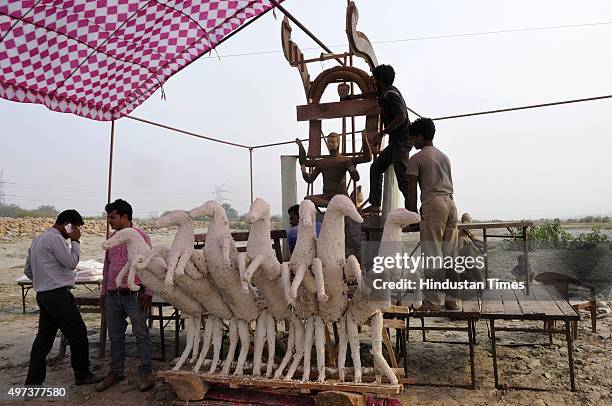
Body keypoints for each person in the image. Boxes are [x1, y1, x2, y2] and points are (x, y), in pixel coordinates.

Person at [24, 210, 103, 386]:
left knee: (43, 340)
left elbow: (28, 271)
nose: (76, 231)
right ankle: (82, 374)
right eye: (75, 227)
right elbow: (71, 263)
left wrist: (44, 279)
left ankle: (33, 382)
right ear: (68, 225)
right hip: (57, 295)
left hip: (44, 294)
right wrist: (75, 241)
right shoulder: (55, 239)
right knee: (78, 333)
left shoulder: (38, 240)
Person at [96, 199, 155, 392]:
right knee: (115, 336)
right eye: (108, 217)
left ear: (125, 217)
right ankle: (115, 372)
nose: (109, 221)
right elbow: (107, 266)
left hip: (135, 294)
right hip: (113, 295)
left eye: (112, 217)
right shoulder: (112, 238)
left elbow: (151, 265)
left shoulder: (141, 236)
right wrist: (104, 292)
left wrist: (148, 292)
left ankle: (146, 373)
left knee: (141, 334)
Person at [406, 118, 460, 310]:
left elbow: (411, 189)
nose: (412, 143)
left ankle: (433, 300)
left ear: (419, 136)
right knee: (450, 254)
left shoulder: (417, 159)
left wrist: (412, 216)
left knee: (432, 253)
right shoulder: (444, 157)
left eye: (413, 138)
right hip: (451, 203)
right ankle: (453, 299)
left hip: (433, 204)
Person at [346, 64, 411, 214]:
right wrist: (352, 98)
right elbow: (372, 94)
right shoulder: (386, 92)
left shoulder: (390, 95)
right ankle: (375, 204)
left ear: (380, 80)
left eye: (374, 79)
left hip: (401, 142)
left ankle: (413, 213)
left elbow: (402, 116)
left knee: (403, 181)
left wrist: (382, 133)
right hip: (396, 142)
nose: (373, 82)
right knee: (376, 168)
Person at [297, 132, 371, 208]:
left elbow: (366, 160)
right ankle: (333, 205)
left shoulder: (345, 160)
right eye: (329, 142)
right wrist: (304, 171)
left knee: (341, 202)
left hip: (341, 197)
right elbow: (309, 178)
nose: (330, 144)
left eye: (333, 142)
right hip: (327, 197)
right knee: (307, 199)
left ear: (338, 143)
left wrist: (364, 140)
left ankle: (334, 205)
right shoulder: (322, 162)